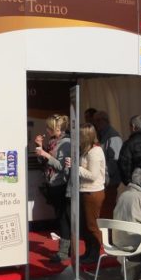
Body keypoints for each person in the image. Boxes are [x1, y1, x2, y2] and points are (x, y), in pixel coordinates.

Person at [66, 124, 106, 265]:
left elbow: (93, 175)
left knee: (91, 225)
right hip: (85, 191)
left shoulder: (94, 152)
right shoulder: (86, 150)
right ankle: (89, 252)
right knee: (85, 225)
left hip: (92, 192)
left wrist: (75, 167)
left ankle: (95, 254)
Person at [34, 114, 72, 262]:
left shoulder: (66, 143)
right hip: (53, 183)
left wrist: (44, 153)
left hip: (61, 184)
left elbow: (62, 166)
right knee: (61, 217)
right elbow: (45, 161)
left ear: (57, 128)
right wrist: (40, 147)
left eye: (49, 128)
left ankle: (63, 251)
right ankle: (65, 250)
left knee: (63, 218)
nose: (47, 130)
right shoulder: (53, 142)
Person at [93, 111, 122, 218]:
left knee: (107, 209)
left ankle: (108, 233)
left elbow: (115, 160)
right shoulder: (102, 135)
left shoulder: (112, 136)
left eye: (97, 121)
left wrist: (104, 175)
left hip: (109, 180)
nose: (95, 124)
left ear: (103, 121)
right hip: (104, 179)